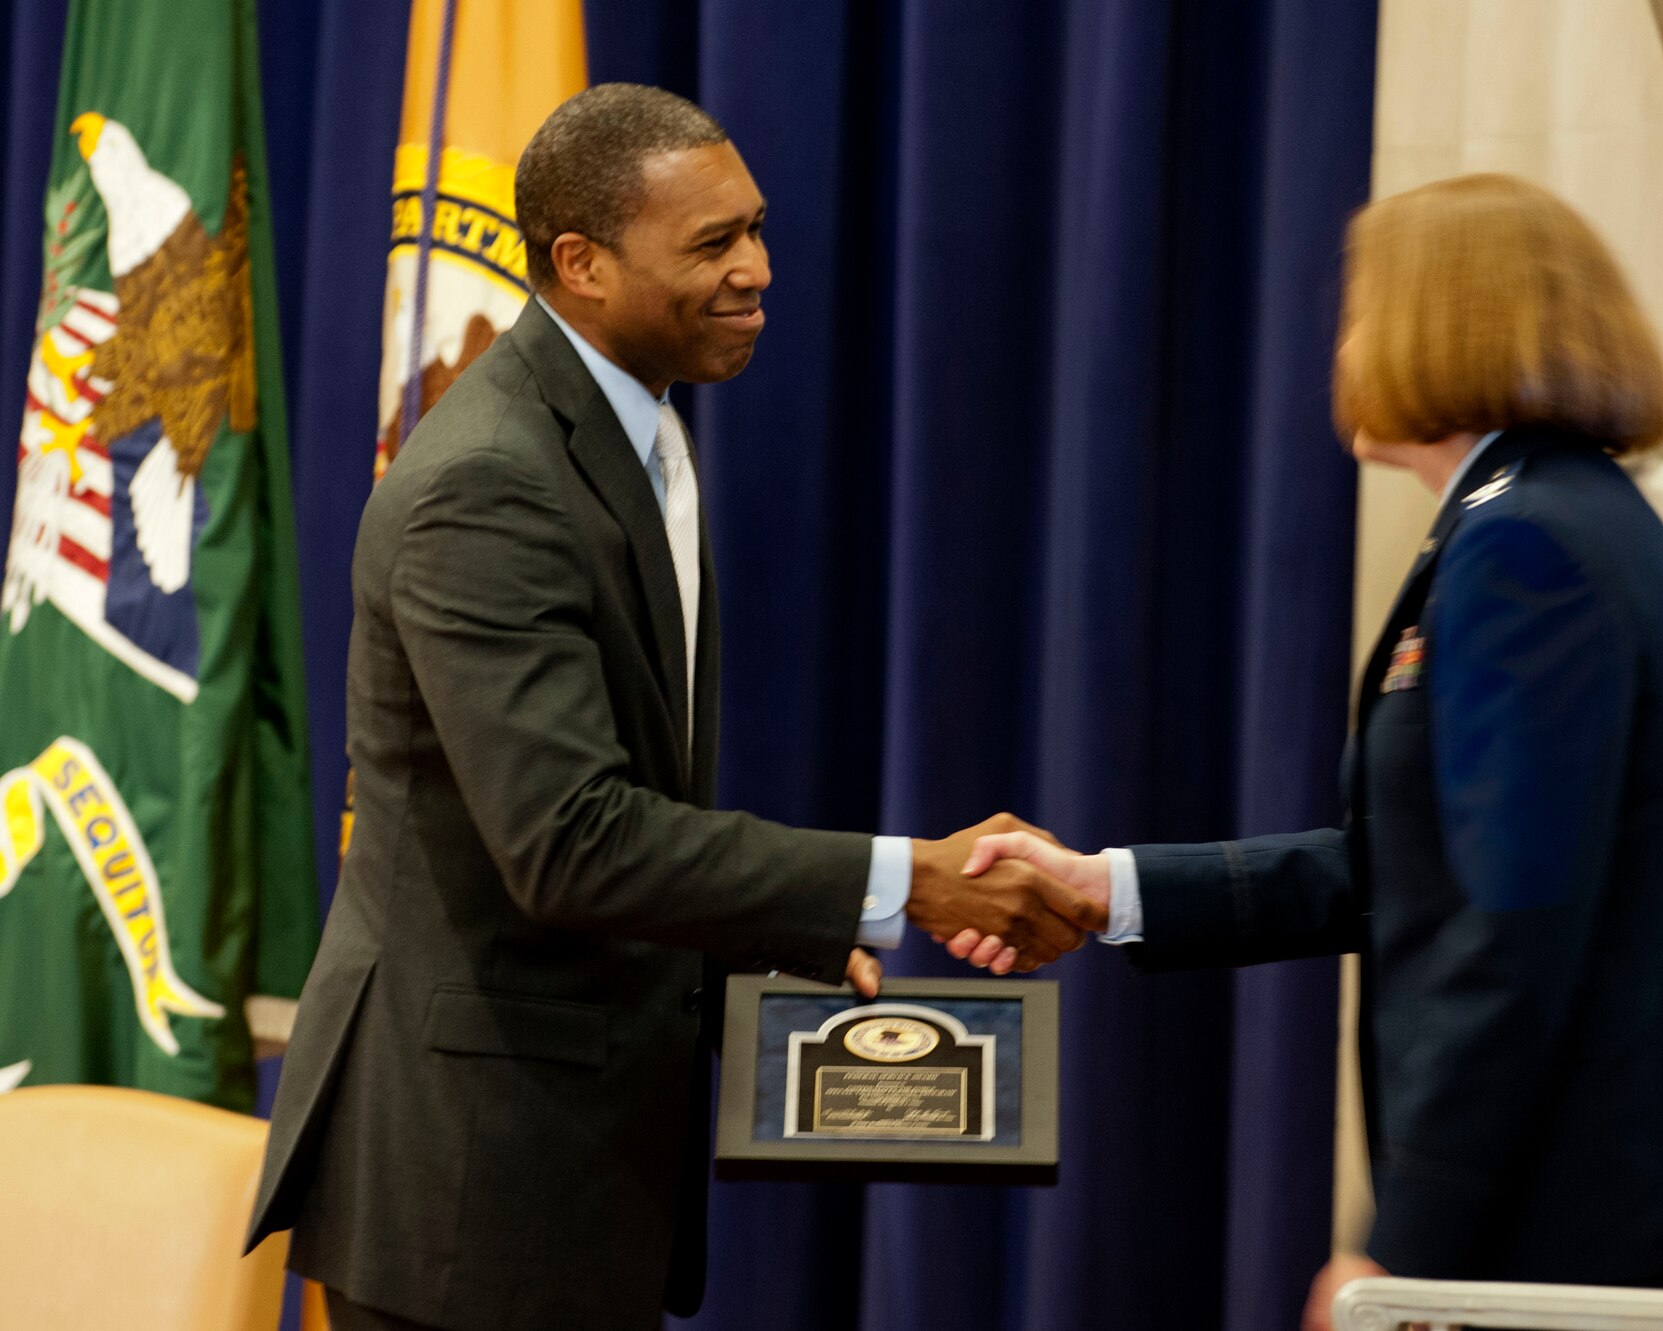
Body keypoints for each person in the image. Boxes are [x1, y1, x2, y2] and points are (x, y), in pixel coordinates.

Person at [245, 85, 1102, 1331]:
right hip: (469, 1186)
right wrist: (907, 877)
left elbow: (624, 804)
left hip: (568, 1171)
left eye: (753, 227)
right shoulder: (487, 483)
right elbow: (568, 840)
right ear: (579, 264)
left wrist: (780, 928)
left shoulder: (633, 427)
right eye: (710, 244)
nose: (755, 269)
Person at [958, 174, 1663, 1329]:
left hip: (1576, 1225)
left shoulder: (1527, 547)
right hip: (1586, 1207)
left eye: (1359, 312)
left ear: (1441, 324)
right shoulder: (1535, 514)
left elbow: (1513, 929)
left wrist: (1401, 1251)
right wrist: (1110, 888)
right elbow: (1413, 864)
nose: (1342, 346)